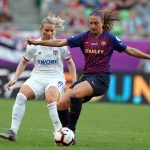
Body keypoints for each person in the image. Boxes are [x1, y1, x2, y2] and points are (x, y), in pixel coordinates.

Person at [27, 8, 150, 140]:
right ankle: (68, 137)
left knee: (75, 93)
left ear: (102, 23)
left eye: (95, 23)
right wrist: (37, 42)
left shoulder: (110, 38)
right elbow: (59, 42)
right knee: (61, 105)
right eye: (90, 23)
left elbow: (130, 50)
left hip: (101, 79)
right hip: (87, 77)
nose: (92, 26)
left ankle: (71, 130)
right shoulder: (84, 37)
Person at [0, 15, 76, 142]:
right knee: (21, 96)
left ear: (55, 31)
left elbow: (70, 63)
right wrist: (15, 78)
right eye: (47, 30)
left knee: (51, 100)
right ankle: (13, 131)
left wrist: (74, 82)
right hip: (37, 77)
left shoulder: (60, 45)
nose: (49, 33)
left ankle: (59, 131)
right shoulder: (33, 45)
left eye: (52, 31)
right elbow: (23, 62)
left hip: (55, 78)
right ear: (41, 29)